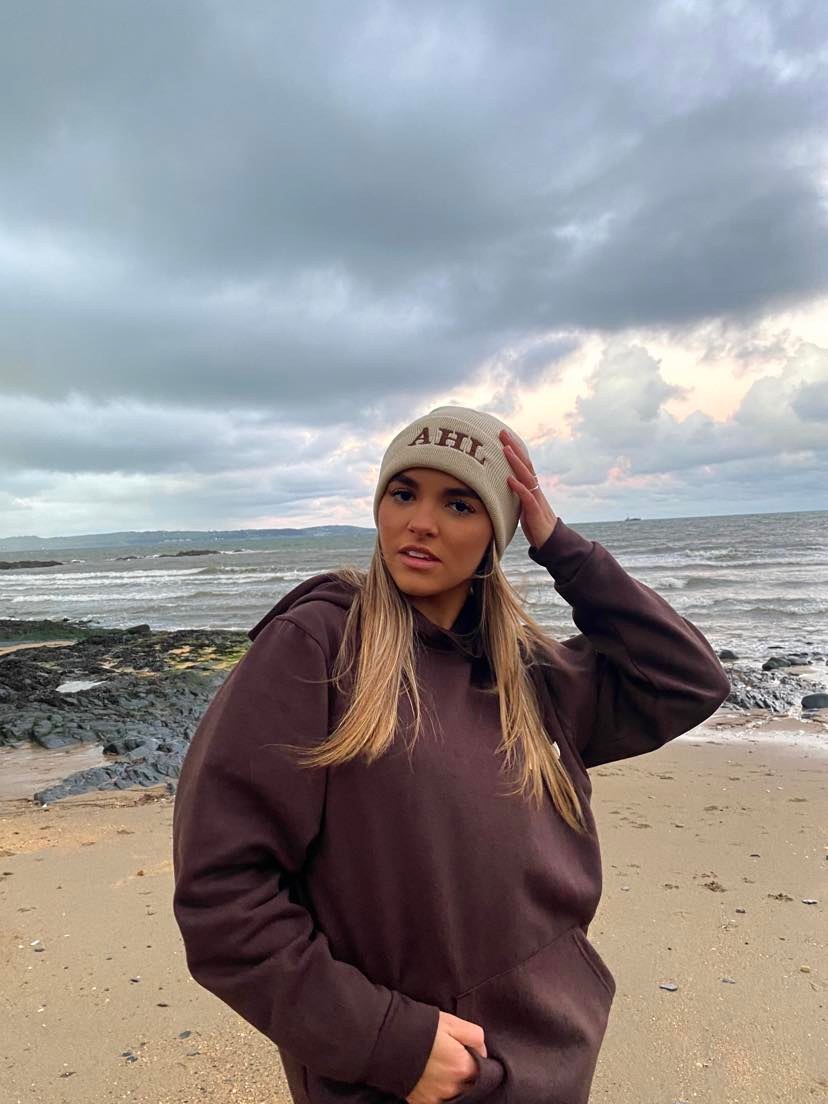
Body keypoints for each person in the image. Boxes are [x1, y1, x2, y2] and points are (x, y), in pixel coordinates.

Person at [172, 405, 731, 1104]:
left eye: (460, 503)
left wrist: (560, 547)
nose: (421, 522)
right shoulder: (316, 648)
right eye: (403, 494)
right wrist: (387, 1042)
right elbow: (224, 897)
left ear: (497, 530)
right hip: (405, 1079)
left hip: (550, 1060)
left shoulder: (531, 676)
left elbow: (689, 680)